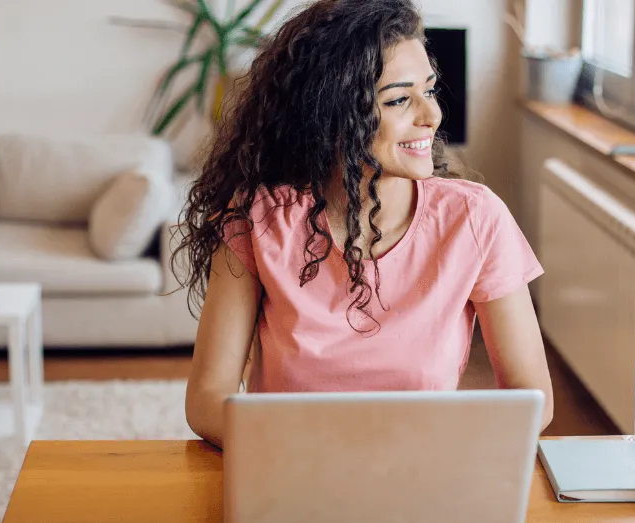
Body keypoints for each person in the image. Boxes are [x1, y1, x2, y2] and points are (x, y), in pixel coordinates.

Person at [174, 0, 554, 449]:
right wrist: (319, 447)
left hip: (419, 472)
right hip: (290, 471)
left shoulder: (475, 219)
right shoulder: (260, 219)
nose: (431, 116)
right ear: (331, 116)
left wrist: (446, 447)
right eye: (397, 99)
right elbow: (206, 400)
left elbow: (534, 398)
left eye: (429, 90)